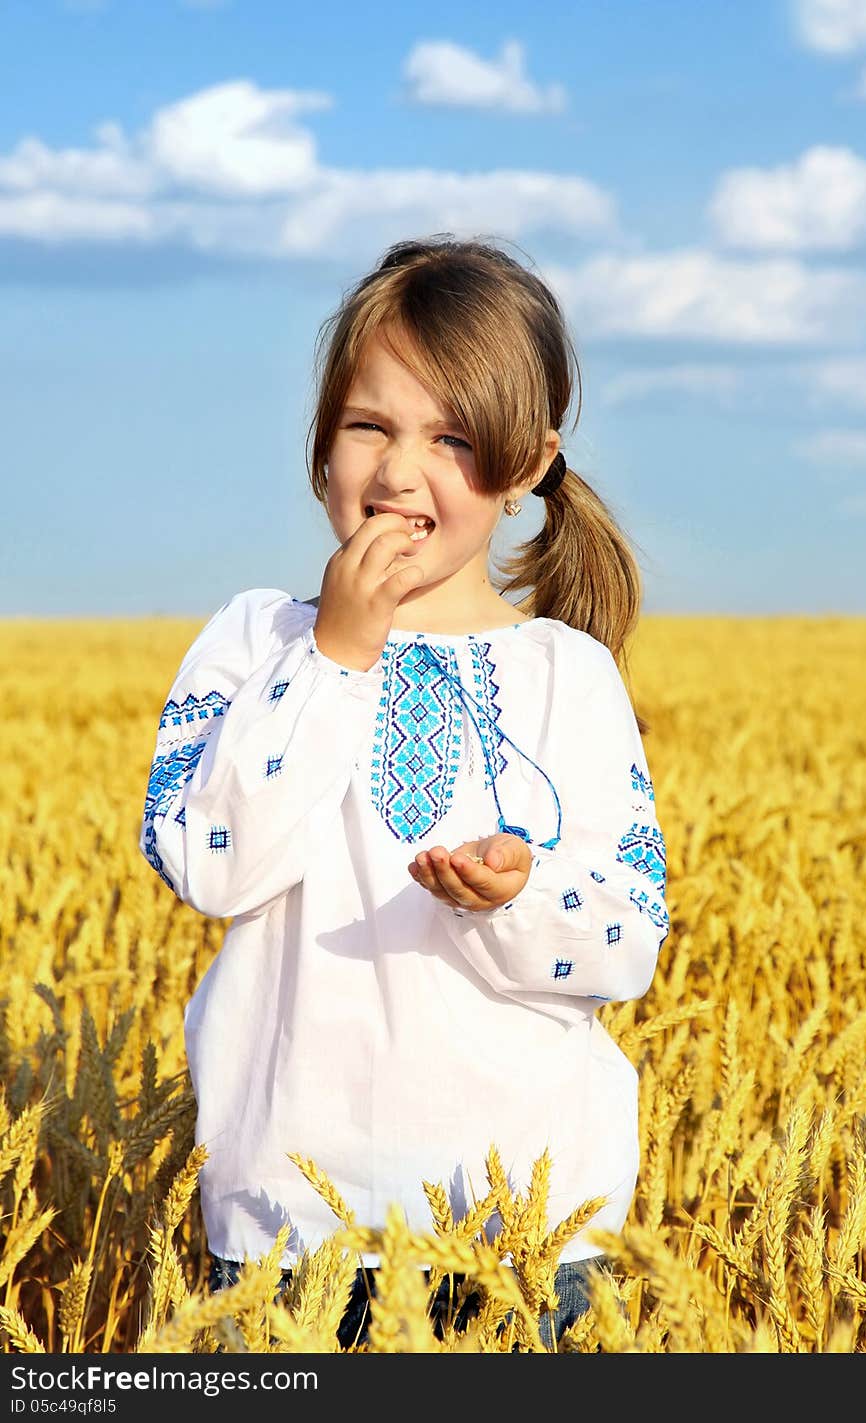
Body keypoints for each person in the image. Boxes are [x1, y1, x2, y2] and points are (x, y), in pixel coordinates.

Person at [139, 234, 669, 1352]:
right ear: (321, 440)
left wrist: (517, 893)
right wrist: (332, 657)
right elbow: (209, 863)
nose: (397, 471)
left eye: (454, 439)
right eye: (368, 425)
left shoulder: (565, 674)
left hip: (525, 1233)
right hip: (287, 1233)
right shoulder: (253, 641)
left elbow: (627, 943)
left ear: (526, 466)